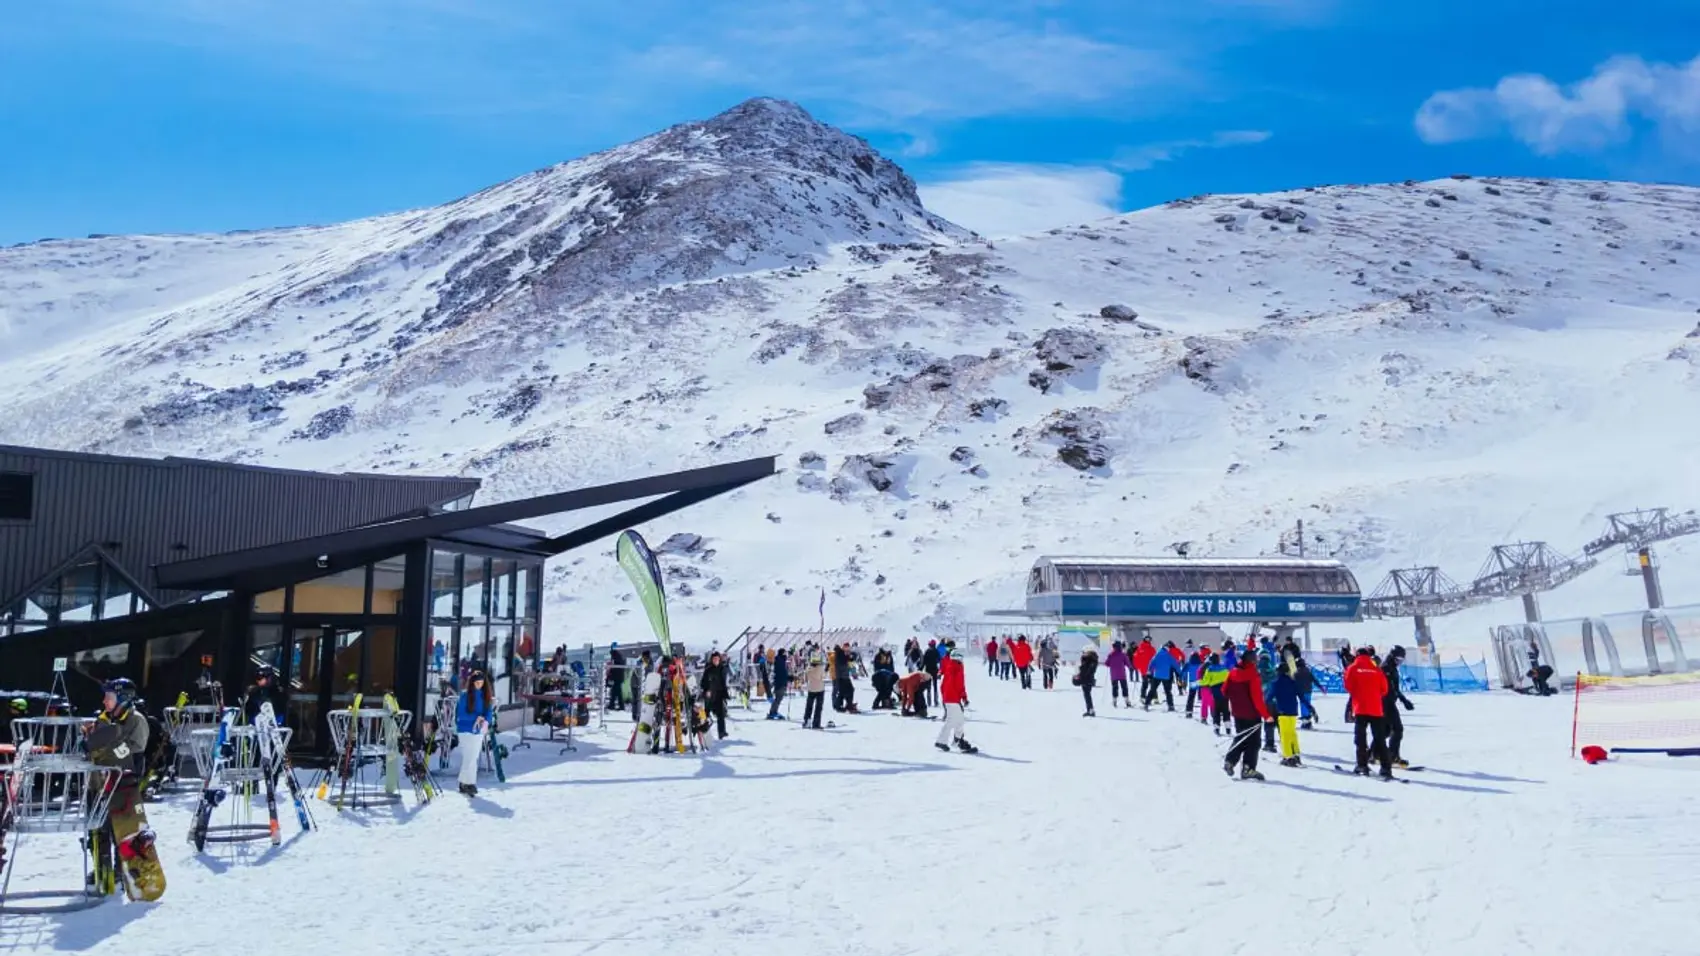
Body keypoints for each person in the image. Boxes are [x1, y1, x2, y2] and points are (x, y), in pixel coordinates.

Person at [86, 678, 163, 897]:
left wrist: (102, 748)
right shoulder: (102, 719)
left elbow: (133, 750)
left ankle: (124, 867)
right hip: (99, 780)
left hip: (124, 781)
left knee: (120, 827)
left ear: (123, 699)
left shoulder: (136, 720)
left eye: (109, 697)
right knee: (98, 826)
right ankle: (102, 865)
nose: (104, 701)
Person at [1344, 648, 1392, 778]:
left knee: (1360, 739)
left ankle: (1362, 765)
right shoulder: (1376, 669)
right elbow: (1384, 689)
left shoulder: (1353, 668)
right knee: (1380, 739)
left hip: (1360, 708)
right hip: (1376, 708)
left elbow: (1348, 686)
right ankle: (1386, 768)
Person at [1221, 654, 1270, 780]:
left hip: (1237, 712)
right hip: (1252, 714)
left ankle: (1230, 761)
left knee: (1241, 738)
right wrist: (1266, 715)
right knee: (1254, 743)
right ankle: (1248, 769)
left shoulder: (1232, 673)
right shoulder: (1253, 675)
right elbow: (1257, 699)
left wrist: (1235, 700)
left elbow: (1224, 691)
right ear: (1252, 661)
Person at [454, 669, 495, 794]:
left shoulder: (485, 696)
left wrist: (485, 720)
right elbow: (461, 715)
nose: (479, 685)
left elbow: (489, 712)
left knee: (473, 757)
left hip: (478, 730)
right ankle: (470, 783)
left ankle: (464, 783)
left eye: (481, 683)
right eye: (477, 683)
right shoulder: (465, 695)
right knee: (469, 757)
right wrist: (476, 718)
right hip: (465, 729)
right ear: (472, 683)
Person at [934, 647, 977, 753]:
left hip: (949, 698)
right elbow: (960, 685)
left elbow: (943, 686)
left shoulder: (949, 667)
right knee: (953, 720)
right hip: (953, 699)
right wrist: (964, 698)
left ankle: (957, 740)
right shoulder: (958, 668)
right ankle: (947, 741)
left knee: (959, 720)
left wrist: (945, 697)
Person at [1381, 645, 1415, 769]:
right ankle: (1392, 756)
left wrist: (1403, 700)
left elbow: (1395, 688)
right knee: (1397, 729)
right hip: (1386, 703)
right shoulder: (1386, 668)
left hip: (1389, 702)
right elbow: (1391, 689)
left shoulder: (1392, 667)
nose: (1399, 662)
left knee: (1385, 731)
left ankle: (1373, 754)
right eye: (1398, 659)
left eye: (1401, 660)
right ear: (1392, 656)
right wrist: (1404, 700)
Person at [1271, 656, 1303, 767]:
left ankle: (1288, 757)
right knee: (1292, 733)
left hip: (1282, 712)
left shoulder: (1276, 683)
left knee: (1285, 735)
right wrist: (1310, 708)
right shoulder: (1292, 682)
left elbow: (1269, 697)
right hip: (1293, 711)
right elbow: (1300, 695)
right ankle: (1296, 754)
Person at [700, 651, 730, 739]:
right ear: (712, 660)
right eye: (714, 659)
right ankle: (703, 730)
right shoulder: (708, 670)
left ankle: (721, 732)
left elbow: (725, 676)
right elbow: (703, 683)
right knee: (706, 713)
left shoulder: (722, 668)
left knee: (721, 714)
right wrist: (707, 690)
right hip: (710, 695)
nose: (716, 660)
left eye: (717, 659)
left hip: (719, 694)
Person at [1144, 641, 1179, 711]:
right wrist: (1180, 673)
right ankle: (1170, 706)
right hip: (1166, 676)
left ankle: (1146, 704)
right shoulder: (1169, 656)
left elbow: (1151, 663)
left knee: (1152, 690)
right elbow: (1176, 665)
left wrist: (1149, 671)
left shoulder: (1157, 654)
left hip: (1157, 675)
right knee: (1168, 691)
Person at [1198, 653, 1228, 731]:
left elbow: (1205, 680)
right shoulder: (1224, 668)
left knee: (1206, 704)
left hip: (1210, 689)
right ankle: (1228, 728)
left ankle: (1212, 723)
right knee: (1224, 709)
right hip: (1223, 691)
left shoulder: (1208, 668)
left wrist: (1199, 683)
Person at [802, 651, 828, 729]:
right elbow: (823, 676)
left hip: (811, 688)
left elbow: (805, 676)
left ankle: (807, 721)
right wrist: (826, 670)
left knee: (809, 706)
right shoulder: (820, 668)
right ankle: (816, 724)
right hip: (820, 689)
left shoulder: (808, 668)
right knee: (818, 707)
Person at [1294, 655, 1318, 729]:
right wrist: (1321, 687)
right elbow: (1314, 679)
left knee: (1303, 706)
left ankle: (1306, 721)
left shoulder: (1296, 672)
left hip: (1301, 692)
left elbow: (1293, 681)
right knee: (1307, 704)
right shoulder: (1308, 671)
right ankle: (1308, 720)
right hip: (1309, 691)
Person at [766, 649, 791, 720]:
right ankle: (772, 712)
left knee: (778, 698)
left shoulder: (780, 661)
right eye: (785, 653)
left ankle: (774, 711)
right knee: (778, 698)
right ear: (782, 654)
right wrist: (788, 677)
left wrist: (788, 677)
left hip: (780, 682)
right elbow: (782, 673)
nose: (786, 655)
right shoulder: (780, 662)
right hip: (780, 683)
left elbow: (783, 673)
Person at [1105, 641, 1132, 708]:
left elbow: (1106, 663)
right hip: (1122, 674)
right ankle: (1127, 701)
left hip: (1114, 675)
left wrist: (1110, 664)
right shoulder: (1123, 654)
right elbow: (1127, 663)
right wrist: (1131, 667)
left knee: (1115, 688)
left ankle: (1114, 701)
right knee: (1124, 688)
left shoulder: (1110, 655)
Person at [1076, 644, 1100, 717]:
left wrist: (1080, 675)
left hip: (1085, 679)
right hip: (1090, 678)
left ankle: (1090, 710)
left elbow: (1083, 669)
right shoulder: (1094, 659)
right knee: (1087, 694)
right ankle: (1090, 709)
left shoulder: (1086, 659)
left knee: (1087, 695)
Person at [1132, 637, 1157, 702]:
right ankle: (1147, 697)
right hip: (1146, 670)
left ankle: (1152, 698)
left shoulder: (1151, 649)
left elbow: (1156, 658)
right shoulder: (1140, 649)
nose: (1148, 641)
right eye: (1147, 640)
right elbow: (1135, 658)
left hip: (1148, 670)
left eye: (1149, 640)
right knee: (1149, 684)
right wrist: (1137, 666)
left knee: (1149, 684)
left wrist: (1137, 667)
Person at [607, 644, 627, 710]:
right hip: (619, 678)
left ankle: (614, 705)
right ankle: (616, 705)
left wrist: (611, 675)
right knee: (617, 692)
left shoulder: (616, 659)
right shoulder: (619, 658)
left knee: (616, 692)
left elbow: (615, 669)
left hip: (617, 678)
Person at [922, 640, 942, 706]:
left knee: (928, 686)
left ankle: (929, 702)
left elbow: (923, 661)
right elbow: (939, 661)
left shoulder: (927, 651)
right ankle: (936, 701)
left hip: (928, 670)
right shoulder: (936, 651)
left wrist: (920, 669)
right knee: (935, 686)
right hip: (934, 670)